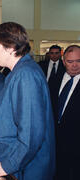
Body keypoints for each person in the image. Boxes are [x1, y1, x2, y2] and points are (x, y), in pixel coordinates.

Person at [0, 22, 56, 180]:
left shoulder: (26, 76)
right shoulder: (14, 74)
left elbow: (31, 134)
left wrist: (7, 166)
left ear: (10, 47)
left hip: (24, 168)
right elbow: (2, 120)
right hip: (12, 160)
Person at [52, 45, 80, 180]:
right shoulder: (55, 80)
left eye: (79, 61)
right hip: (54, 146)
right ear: (63, 62)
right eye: (70, 62)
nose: (75, 65)